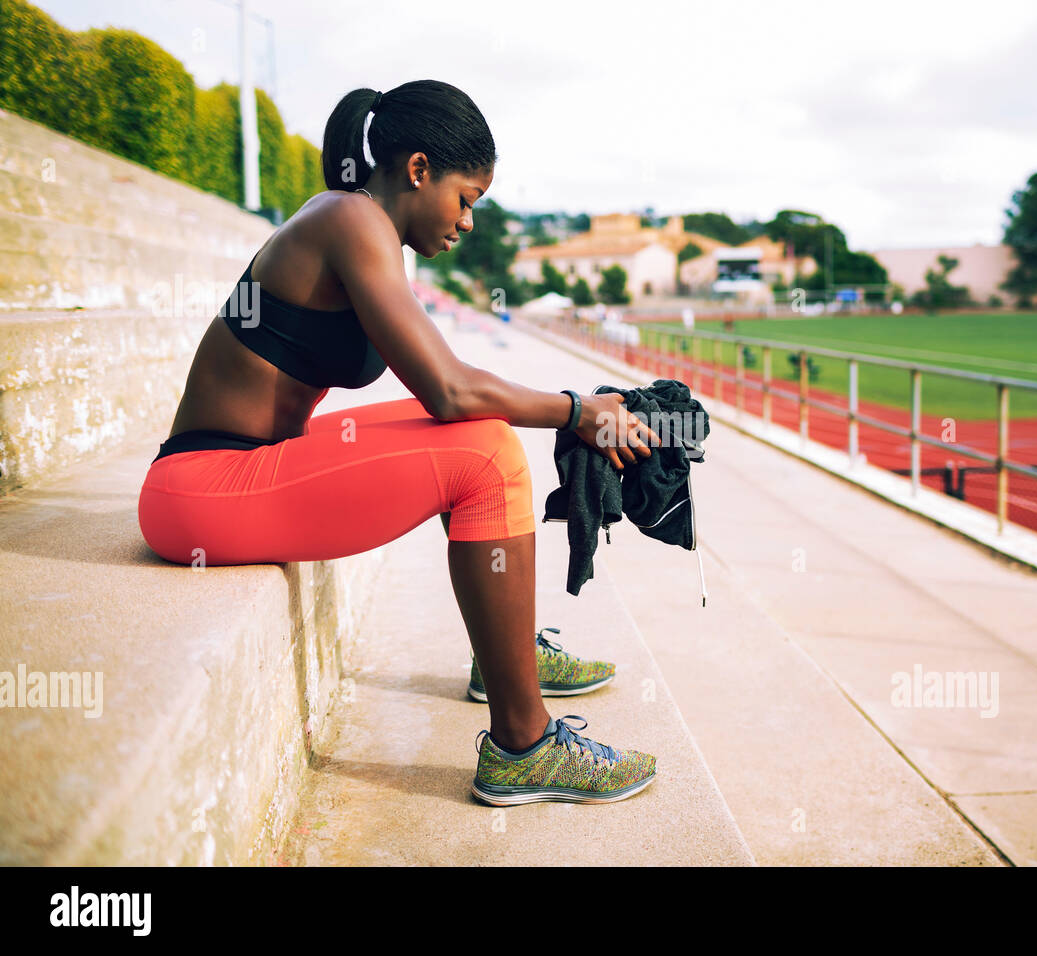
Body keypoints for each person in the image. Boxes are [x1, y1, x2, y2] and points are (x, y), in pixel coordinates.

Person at [136, 80, 662, 806]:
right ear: (418, 170)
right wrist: (577, 410)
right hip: (202, 491)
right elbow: (448, 389)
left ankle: (501, 660)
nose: (469, 221)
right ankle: (524, 743)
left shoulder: (365, 229)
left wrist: (575, 406)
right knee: (487, 451)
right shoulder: (348, 219)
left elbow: (456, 385)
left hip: (239, 473)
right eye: (466, 198)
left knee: (478, 436)